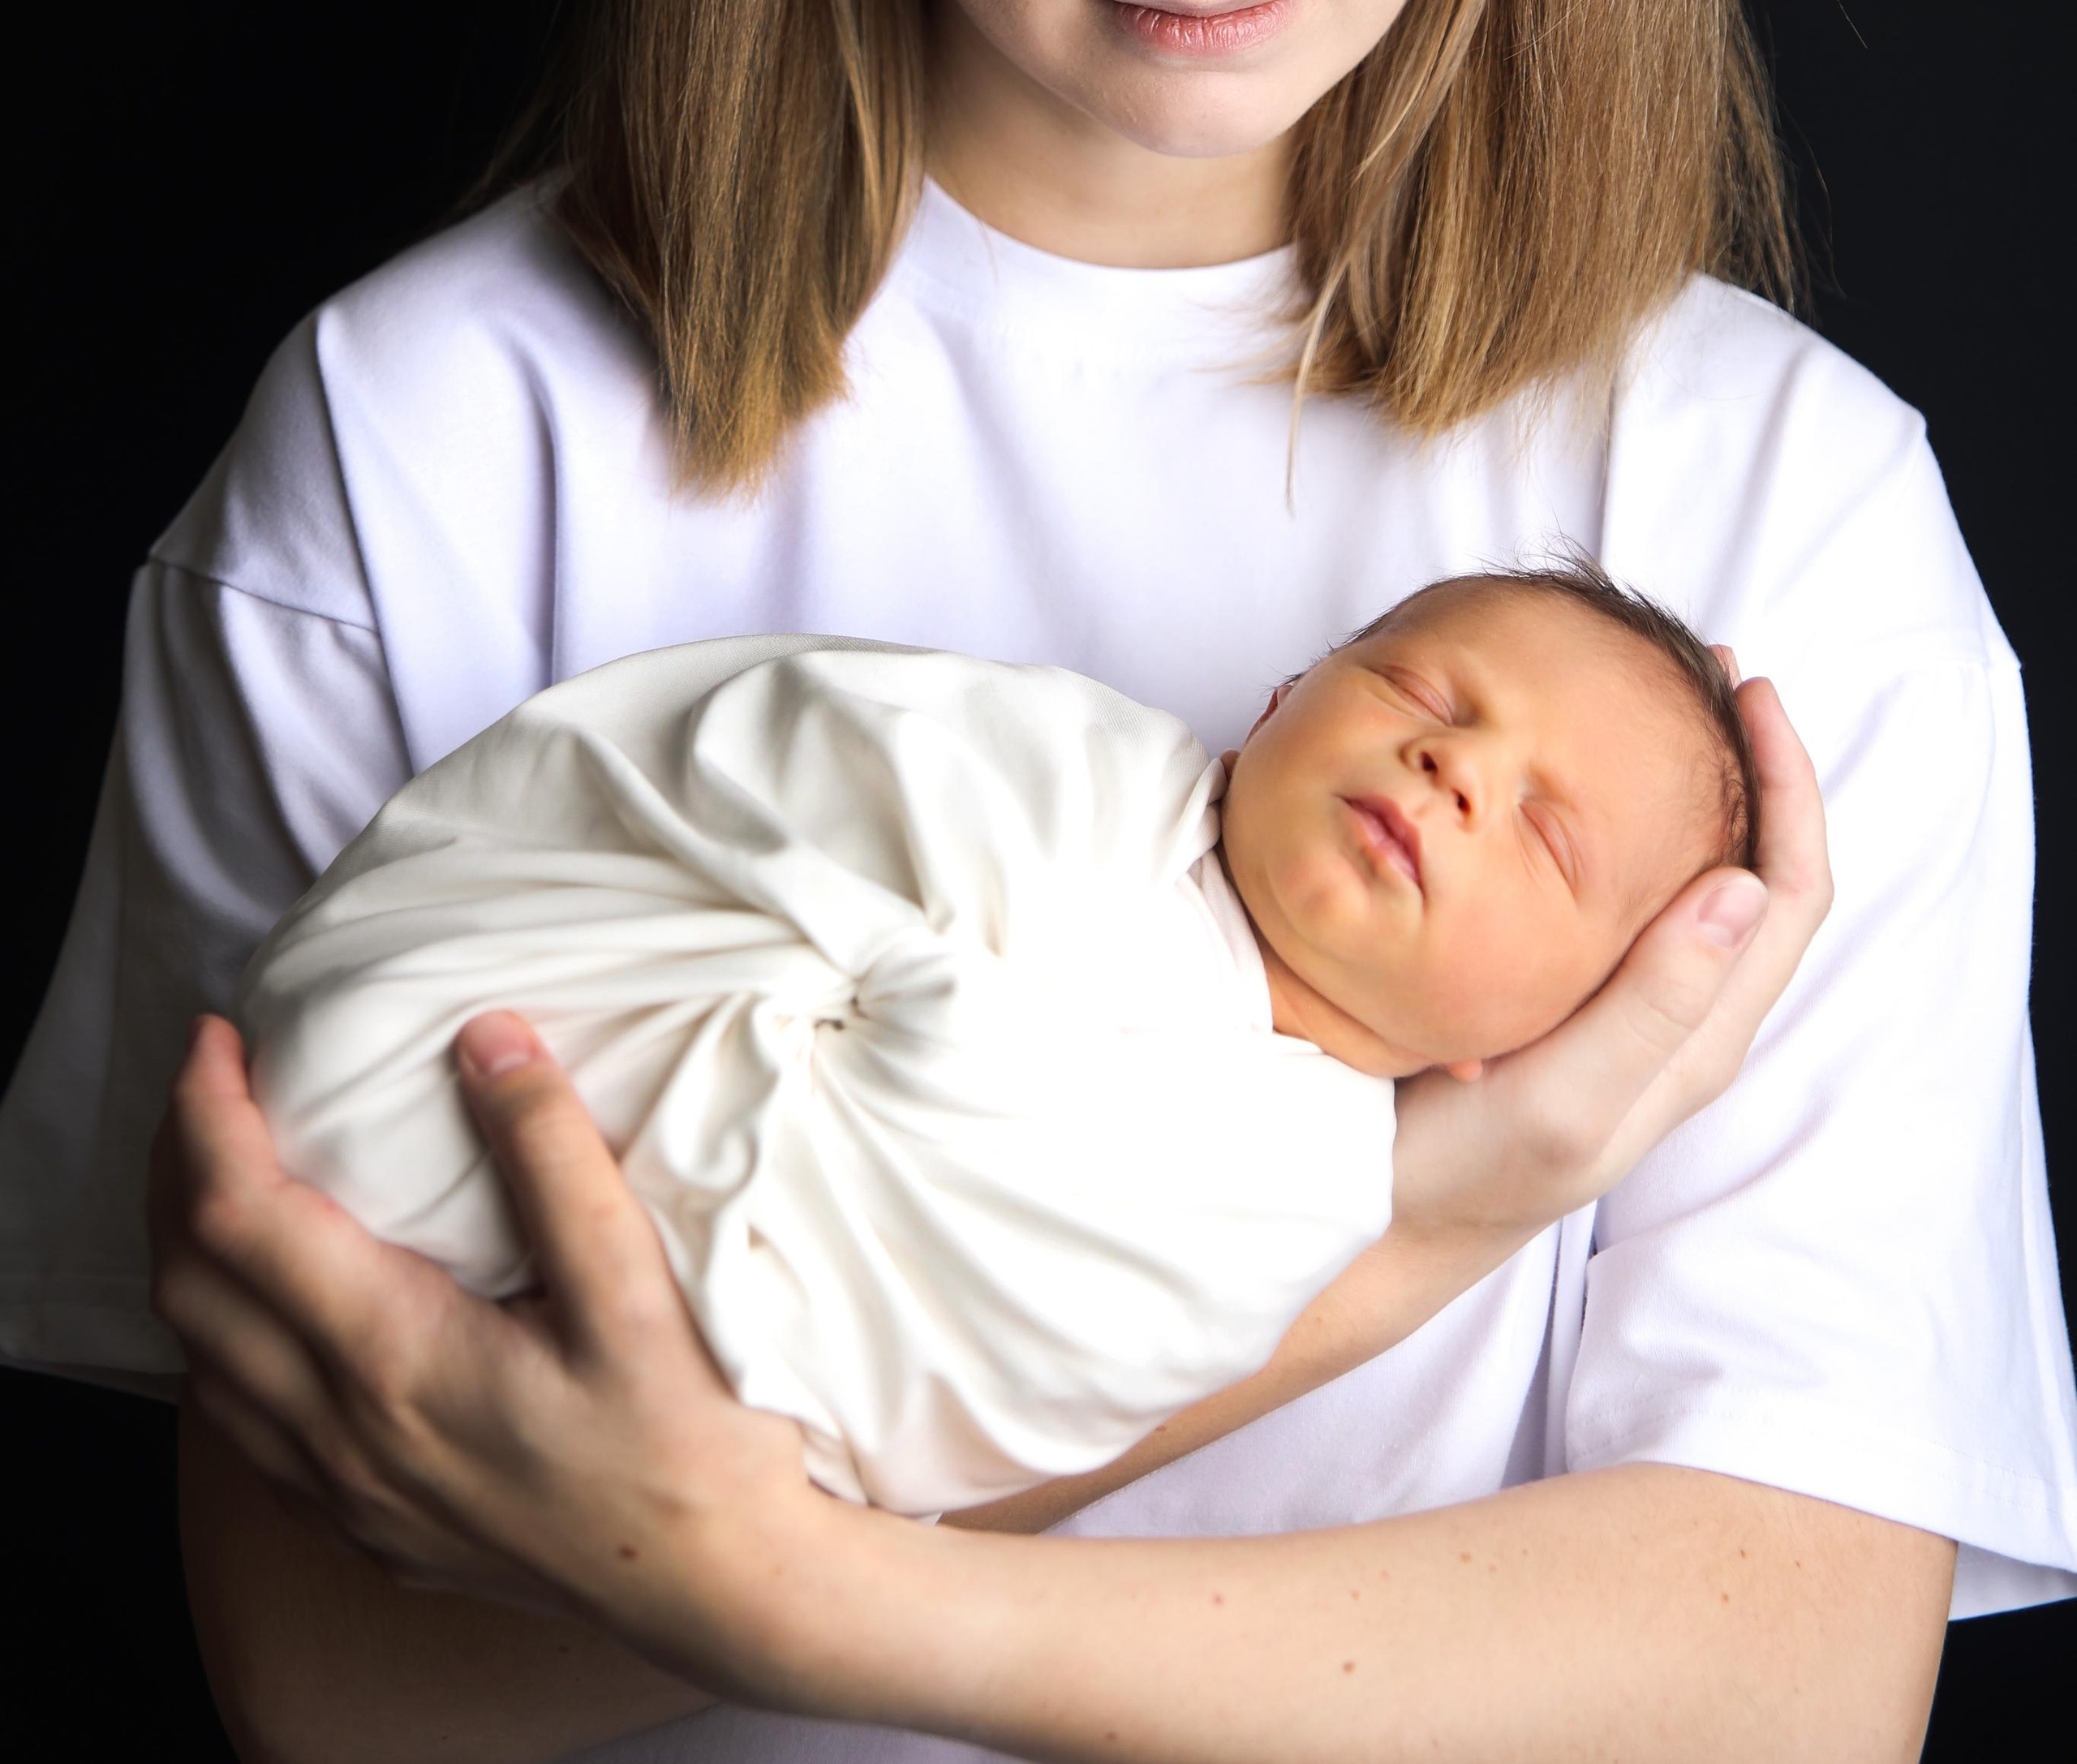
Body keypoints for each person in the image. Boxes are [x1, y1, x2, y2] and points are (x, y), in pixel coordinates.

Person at [3, 0, 2072, 1764]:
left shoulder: (1777, 521)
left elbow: (1782, 1719)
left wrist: (808, 1592)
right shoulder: (427, 441)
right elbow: (327, 1679)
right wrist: (1424, 1212)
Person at [235, 570, 1763, 1517]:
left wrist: (927, 1062)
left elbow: (1022, 1369)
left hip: (666, 1412)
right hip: (480, 1033)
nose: (1457, 764)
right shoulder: (1059, 770)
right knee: (364, 1095)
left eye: (1547, 838)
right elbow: (775, 753)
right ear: (1283, 704)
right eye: (1421, 690)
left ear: (1544, 1035)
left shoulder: (1299, 1193)